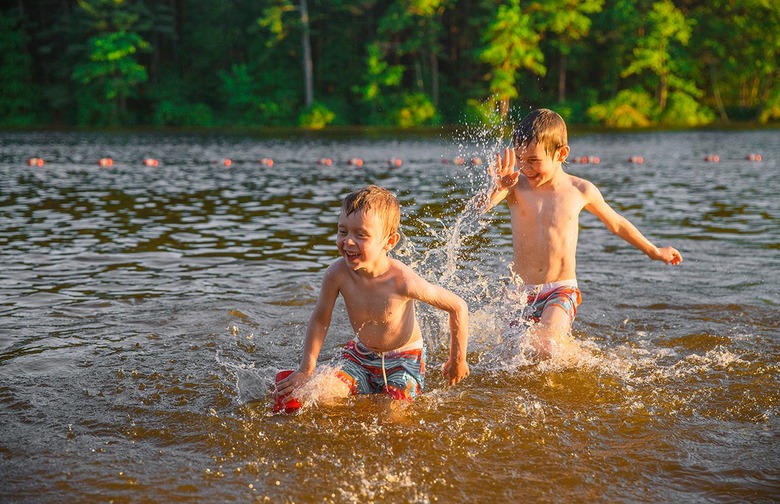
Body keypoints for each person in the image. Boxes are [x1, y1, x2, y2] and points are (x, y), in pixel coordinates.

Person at [482, 108, 682, 359]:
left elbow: (617, 223)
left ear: (561, 153)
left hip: (560, 288)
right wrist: (496, 186)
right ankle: (577, 355)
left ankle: (572, 361)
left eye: (533, 160)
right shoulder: (515, 187)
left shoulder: (580, 190)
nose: (525, 168)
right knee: (513, 355)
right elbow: (481, 207)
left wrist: (654, 251)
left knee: (547, 349)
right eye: (520, 160)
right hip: (520, 292)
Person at [274, 185, 469, 409]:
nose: (348, 241)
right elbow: (320, 319)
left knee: (392, 415)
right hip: (361, 355)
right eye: (343, 231)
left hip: (404, 360)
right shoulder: (337, 274)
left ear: (390, 241)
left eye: (361, 235)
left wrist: (457, 360)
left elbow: (458, 307)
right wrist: (305, 370)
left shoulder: (401, 281)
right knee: (320, 398)